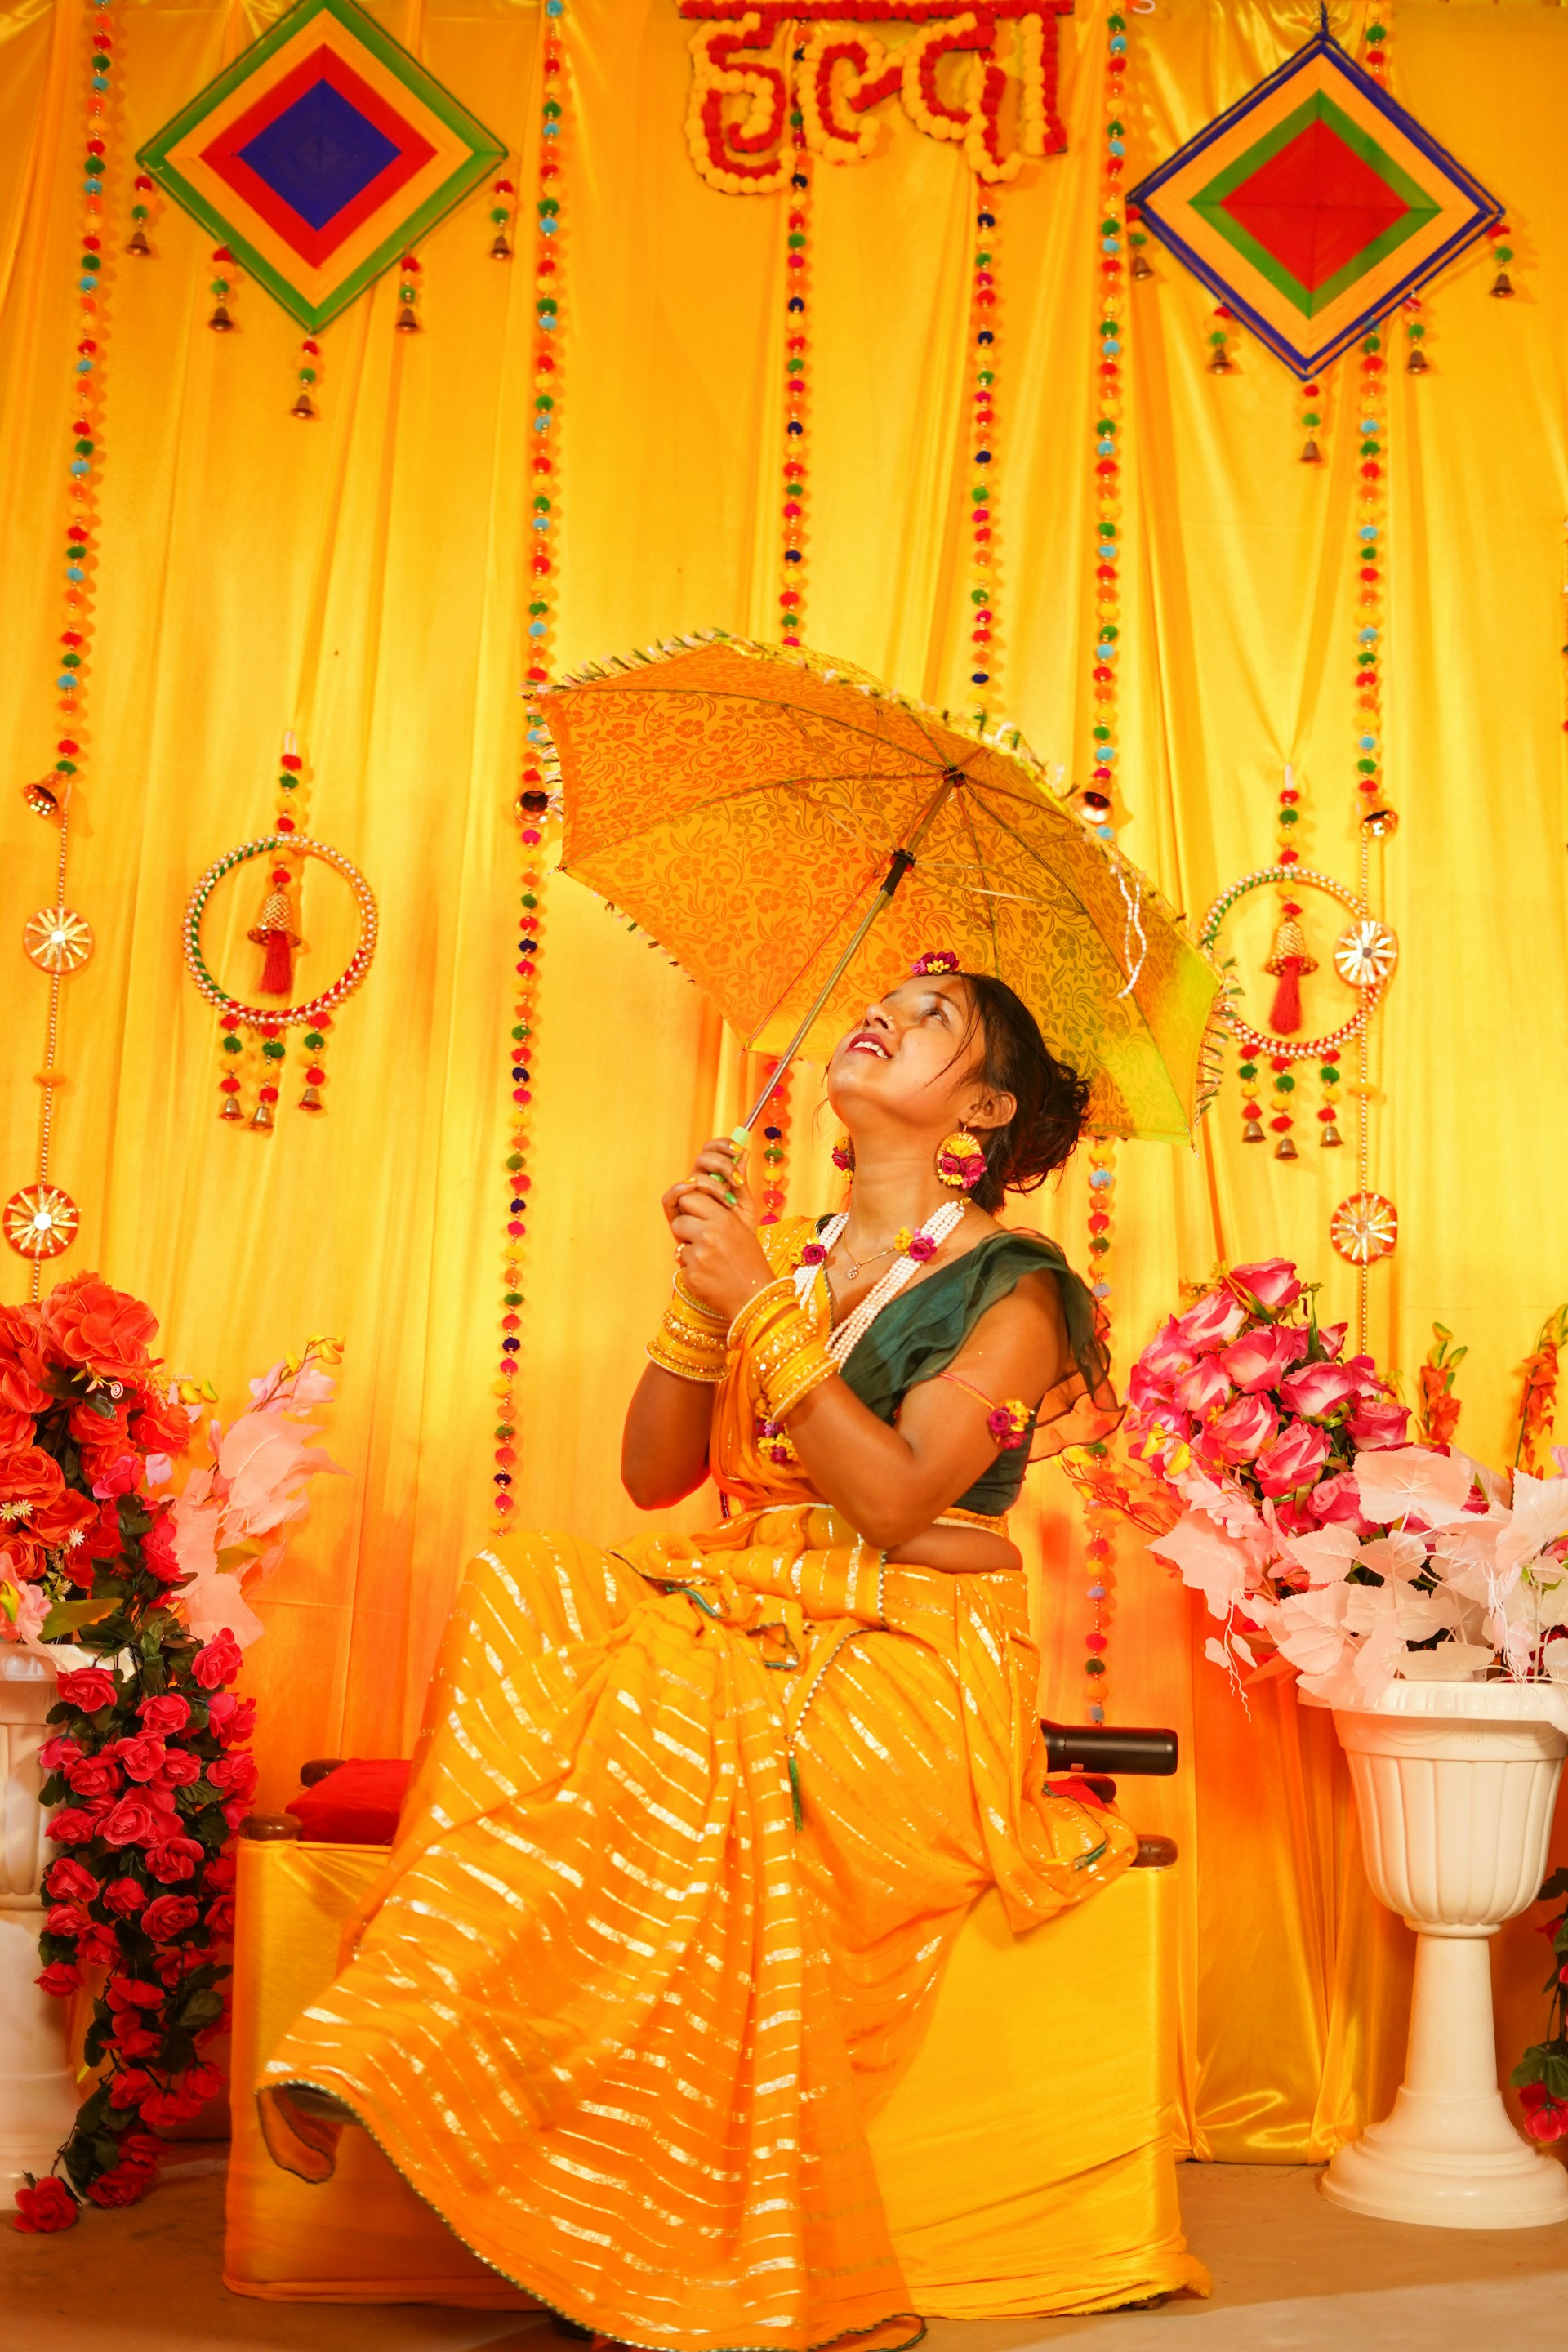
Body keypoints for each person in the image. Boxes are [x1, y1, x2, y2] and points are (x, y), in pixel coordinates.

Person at [258, 956, 1136, 2352]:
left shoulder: (1017, 1293)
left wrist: (760, 1308)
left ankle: (651, 2229)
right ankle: (414, 2038)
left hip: (906, 1646)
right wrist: (703, 1291)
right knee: (522, 1584)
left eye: (933, 1021)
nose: (884, 1017)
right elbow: (656, 1473)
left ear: (982, 1109)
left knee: (698, 1755)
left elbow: (894, 1501)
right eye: (886, 1002)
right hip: (738, 1599)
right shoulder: (778, 1255)